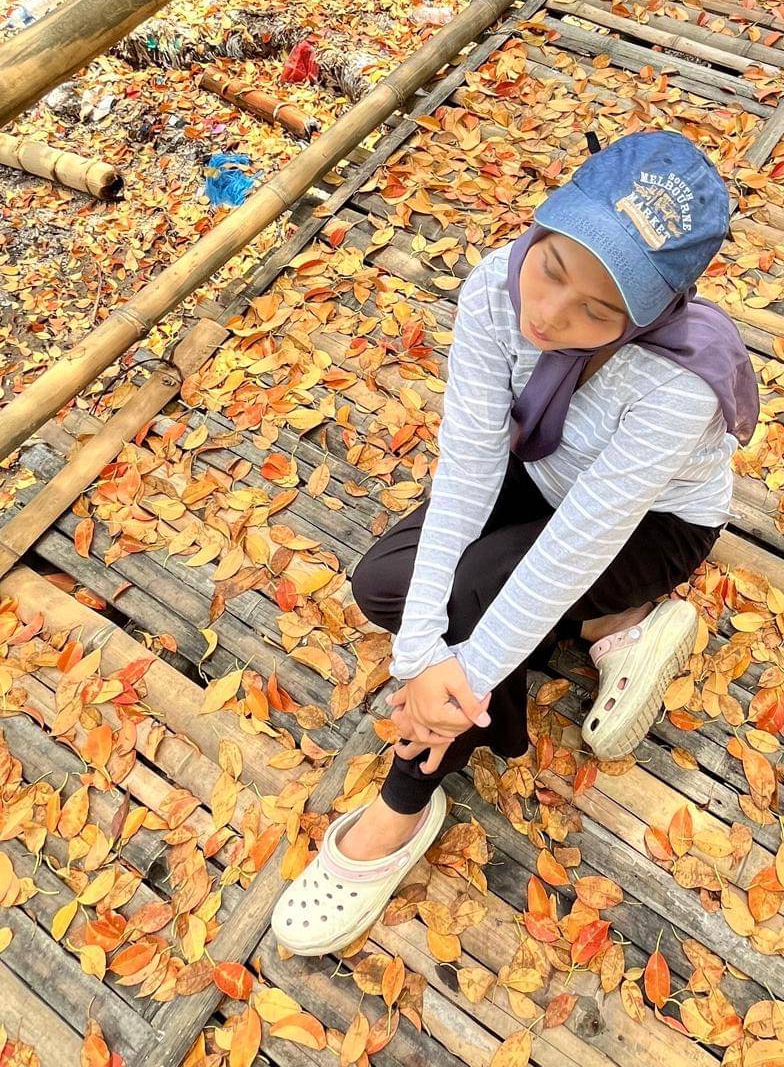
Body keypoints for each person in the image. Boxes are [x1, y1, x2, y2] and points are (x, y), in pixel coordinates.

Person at [271, 129, 759, 956]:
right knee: (385, 586)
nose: (548, 314)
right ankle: (614, 629)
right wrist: (418, 657)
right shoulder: (497, 285)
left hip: (648, 526)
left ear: (652, 312)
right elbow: (464, 469)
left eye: (598, 312)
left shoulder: (680, 382)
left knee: (478, 601)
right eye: (554, 268)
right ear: (547, 221)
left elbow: (576, 544)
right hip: (537, 469)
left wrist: (452, 680)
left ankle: (401, 809)